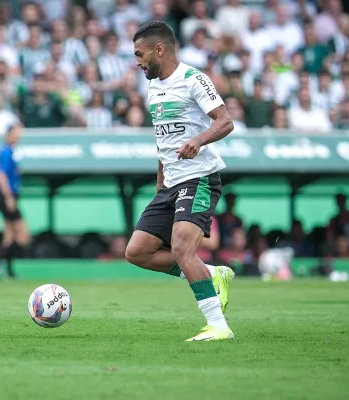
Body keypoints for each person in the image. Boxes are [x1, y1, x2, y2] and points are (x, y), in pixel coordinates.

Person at [125, 21, 236, 341]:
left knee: (182, 249)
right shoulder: (153, 87)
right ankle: (212, 274)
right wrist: (160, 182)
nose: (137, 61)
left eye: (139, 54)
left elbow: (225, 121)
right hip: (171, 183)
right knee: (137, 252)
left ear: (159, 49)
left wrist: (199, 141)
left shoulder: (193, 79)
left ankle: (218, 326)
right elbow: (163, 139)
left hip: (199, 178)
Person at [0, 123, 30, 279]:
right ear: (8, 135)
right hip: (8, 195)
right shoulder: (6, 152)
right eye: (15, 133)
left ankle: (7, 269)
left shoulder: (9, 152)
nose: (18, 137)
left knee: (9, 234)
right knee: (22, 235)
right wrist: (8, 196)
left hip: (6, 194)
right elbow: (1, 174)